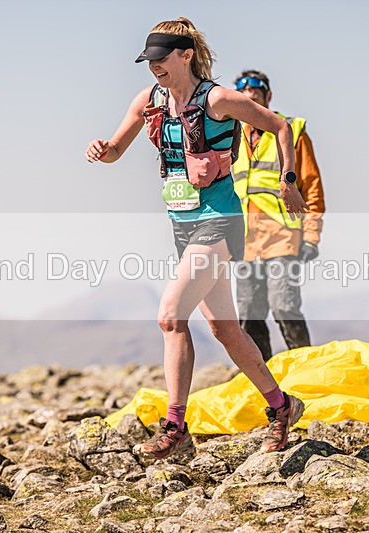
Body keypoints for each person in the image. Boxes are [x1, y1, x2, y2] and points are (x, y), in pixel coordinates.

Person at [85, 18, 307, 458]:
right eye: (149, 61)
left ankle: (175, 425)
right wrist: (102, 151)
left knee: (170, 315)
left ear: (186, 55)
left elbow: (280, 126)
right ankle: (282, 407)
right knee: (225, 329)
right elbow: (116, 149)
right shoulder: (150, 99)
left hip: (221, 221)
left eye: (161, 59)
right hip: (182, 224)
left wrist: (288, 179)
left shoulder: (219, 99)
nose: (153, 68)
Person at [232, 70, 326, 362]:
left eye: (256, 96)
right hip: (244, 242)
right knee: (249, 314)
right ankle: (266, 385)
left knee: (284, 306)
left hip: (282, 237)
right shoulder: (230, 135)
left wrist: (311, 236)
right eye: (243, 98)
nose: (250, 101)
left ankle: (306, 372)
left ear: (268, 97)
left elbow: (311, 187)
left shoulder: (291, 131)